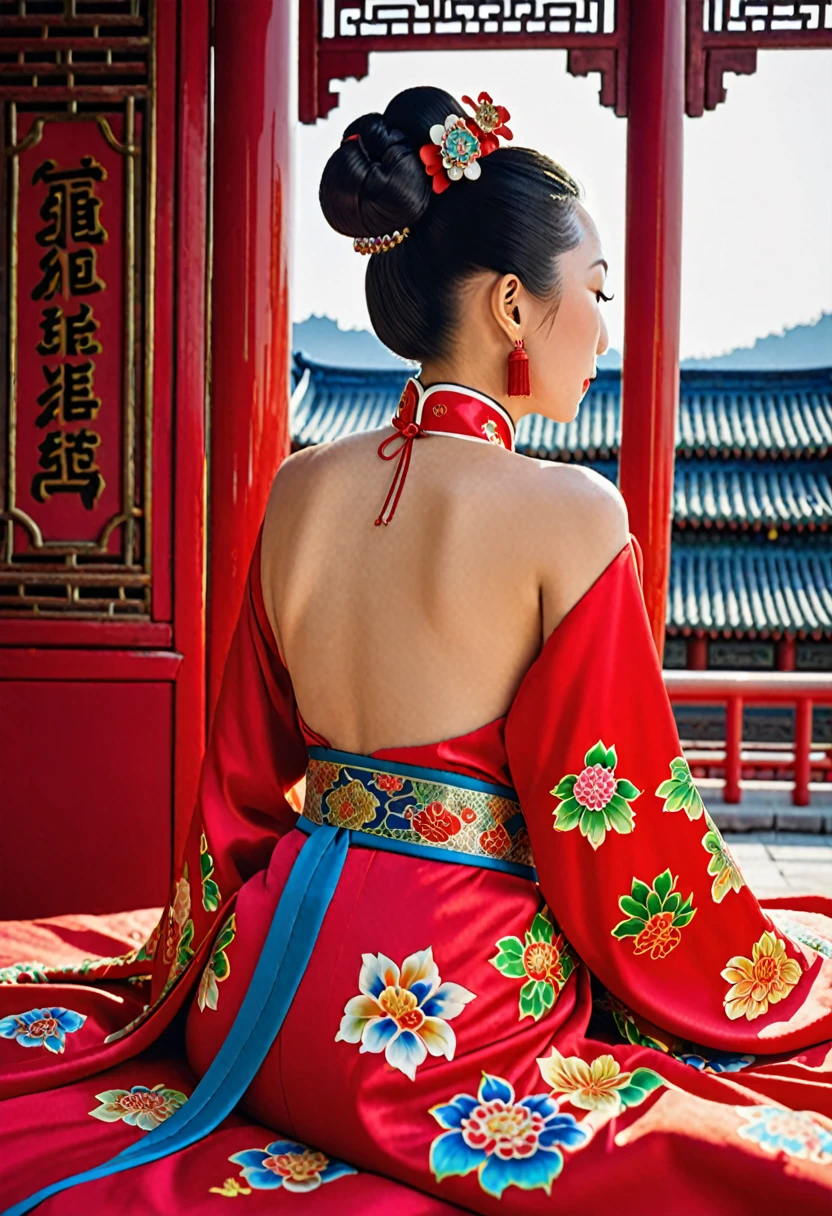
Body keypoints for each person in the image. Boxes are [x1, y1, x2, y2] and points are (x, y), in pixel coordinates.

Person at [2, 84, 832, 1215]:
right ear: (509, 306)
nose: (605, 321)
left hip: (248, 999)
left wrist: (185, 974)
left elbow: (239, 792)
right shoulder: (572, 512)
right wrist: (753, 980)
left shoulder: (299, 488)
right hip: (432, 1027)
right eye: (594, 291)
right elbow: (613, 828)